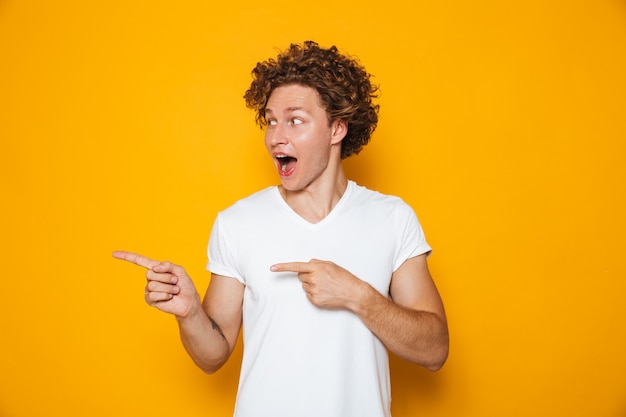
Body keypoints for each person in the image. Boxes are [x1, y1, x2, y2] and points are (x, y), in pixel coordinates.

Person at [113, 40, 448, 417]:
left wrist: (357, 295)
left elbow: (435, 350)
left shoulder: (392, 218)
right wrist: (189, 312)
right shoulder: (237, 223)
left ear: (337, 128)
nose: (276, 137)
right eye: (271, 120)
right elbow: (212, 357)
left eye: (295, 120)